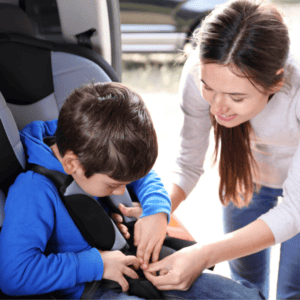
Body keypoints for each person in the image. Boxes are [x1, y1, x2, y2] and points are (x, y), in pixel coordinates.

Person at [0, 82, 264, 300]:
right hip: (91, 288)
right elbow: (14, 275)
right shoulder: (33, 192)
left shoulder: (99, 150)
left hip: (133, 260)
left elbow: (144, 178)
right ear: (72, 165)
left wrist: (157, 211)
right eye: (114, 185)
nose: (120, 193)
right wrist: (98, 264)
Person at [116, 0, 300, 299]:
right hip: (246, 177)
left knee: (294, 288)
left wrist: (202, 256)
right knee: (245, 284)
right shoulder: (199, 70)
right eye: (209, 89)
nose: (216, 107)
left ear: (276, 81)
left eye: (236, 98)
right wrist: (159, 209)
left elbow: (295, 210)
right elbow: (187, 163)